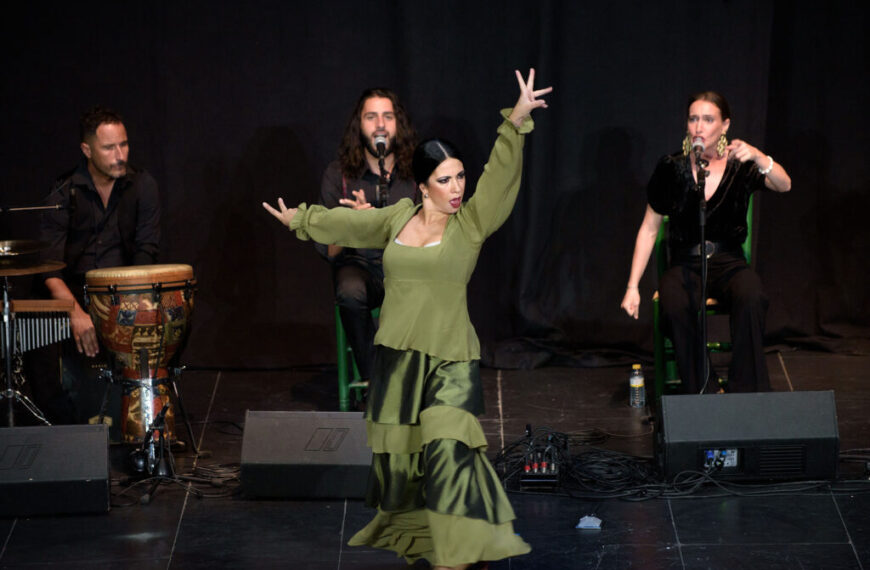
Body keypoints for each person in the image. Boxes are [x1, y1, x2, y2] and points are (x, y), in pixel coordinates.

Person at [264, 69, 552, 570]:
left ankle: (461, 548)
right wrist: (303, 220)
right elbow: (352, 222)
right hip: (397, 359)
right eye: (446, 180)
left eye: (460, 176)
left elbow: (501, 178)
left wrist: (517, 122)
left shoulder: (471, 225)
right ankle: (428, 535)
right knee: (405, 464)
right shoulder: (397, 216)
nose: (458, 187)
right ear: (422, 187)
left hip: (449, 358)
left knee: (449, 449)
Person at [620, 91, 791, 394]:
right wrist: (633, 286)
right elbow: (649, 229)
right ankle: (705, 392)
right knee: (673, 304)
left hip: (729, 263)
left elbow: (784, 184)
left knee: (752, 295)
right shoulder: (671, 168)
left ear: (724, 126)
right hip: (686, 262)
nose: (699, 127)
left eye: (708, 119)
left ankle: (746, 392)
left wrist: (759, 156)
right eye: (693, 119)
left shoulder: (741, 165)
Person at [25, 106, 160, 425]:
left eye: (124, 144)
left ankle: (145, 420)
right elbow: (49, 267)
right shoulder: (63, 191)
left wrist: (128, 306)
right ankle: (64, 421)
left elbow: (147, 252)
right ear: (87, 149)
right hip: (69, 291)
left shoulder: (143, 186)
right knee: (50, 367)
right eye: (109, 147)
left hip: (123, 288)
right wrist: (75, 312)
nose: (120, 155)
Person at [319, 88, 417, 386]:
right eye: (371, 116)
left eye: (388, 116)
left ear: (397, 123)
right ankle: (376, 384)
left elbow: (435, 232)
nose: (380, 125)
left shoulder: (415, 174)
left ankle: (417, 382)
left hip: (407, 269)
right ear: (359, 125)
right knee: (349, 291)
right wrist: (353, 226)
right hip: (359, 266)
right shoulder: (339, 175)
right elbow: (328, 250)